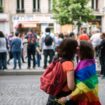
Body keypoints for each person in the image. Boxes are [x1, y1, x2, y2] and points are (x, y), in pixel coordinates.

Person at [58, 41, 101, 105]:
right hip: (91, 95)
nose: (76, 49)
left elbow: (82, 88)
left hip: (85, 100)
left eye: (78, 48)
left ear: (83, 51)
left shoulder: (84, 66)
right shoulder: (90, 61)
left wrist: (67, 98)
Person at [46, 39, 78, 105]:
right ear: (72, 50)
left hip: (55, 93)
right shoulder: (68, 64)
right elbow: (71, 86)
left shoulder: (58, 59)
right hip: (63, 96)